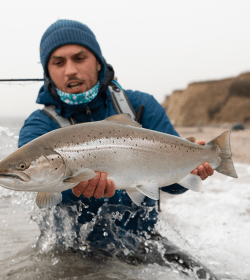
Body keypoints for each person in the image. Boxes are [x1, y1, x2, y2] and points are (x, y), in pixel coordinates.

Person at [18, 19, 216, 279]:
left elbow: (173, 187)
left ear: (98, 61)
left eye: (80, 58)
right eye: (58, 62)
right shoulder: (39, 125)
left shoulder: (140, 106)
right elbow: (38, 187)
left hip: (144, 242)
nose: (70, 71)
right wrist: (76, 191)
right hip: (71, 252)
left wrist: (191, 168)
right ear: (48, 71)